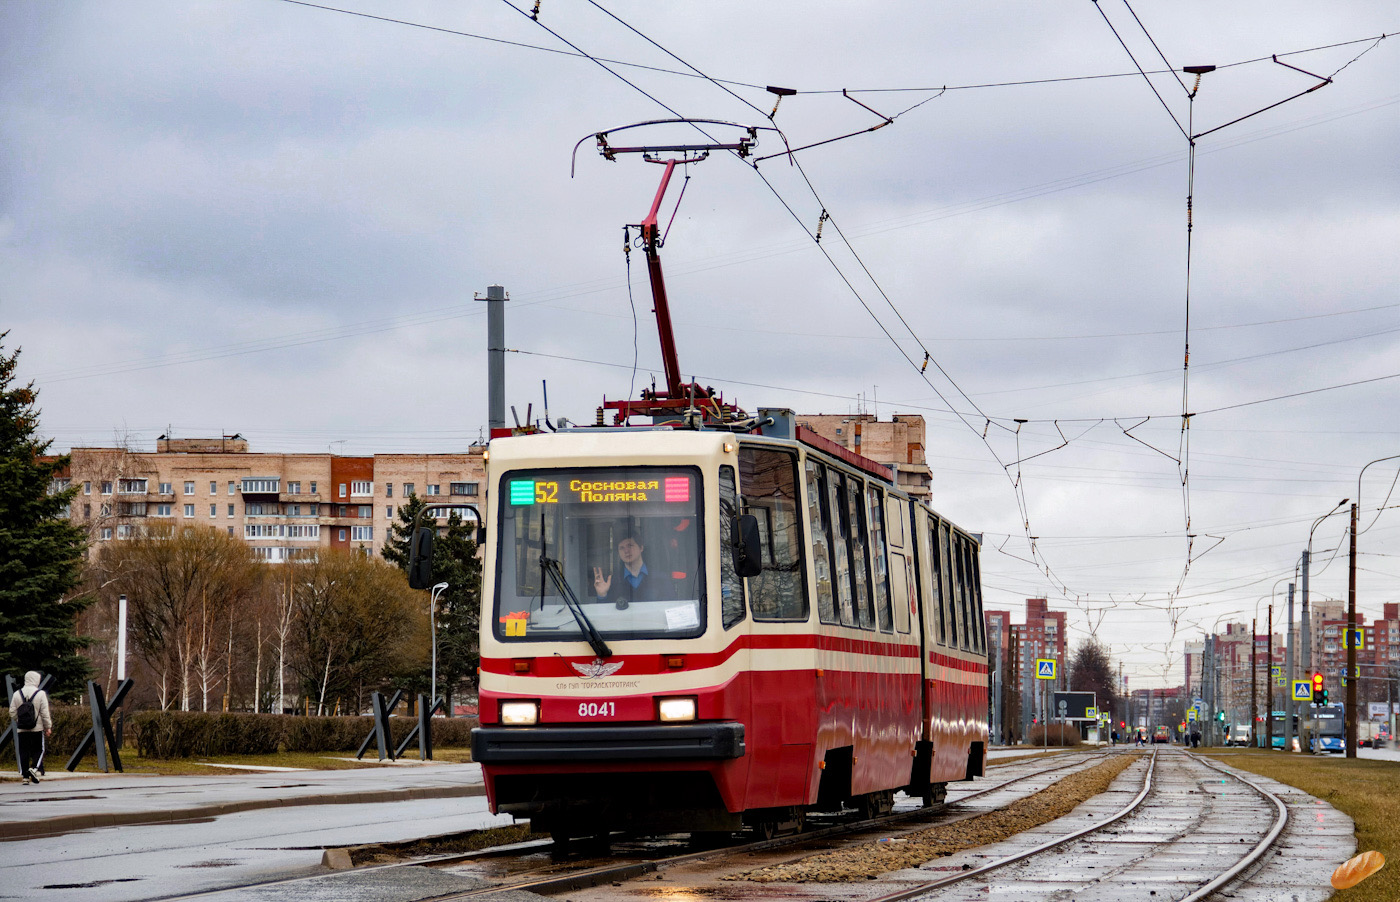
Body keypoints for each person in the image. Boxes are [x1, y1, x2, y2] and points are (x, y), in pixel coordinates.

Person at [593, 533, 669, 606]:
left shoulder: (660, 578)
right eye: (621, 548)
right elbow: (604, 615)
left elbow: (671, 608)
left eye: (630, 545)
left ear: (641, 548)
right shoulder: (612, 582)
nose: (626, 551)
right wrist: (602, 596)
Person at [9, 672, 52, 785]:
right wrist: (48, 727)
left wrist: (19, 721)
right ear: (36, 680)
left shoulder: (17, 694)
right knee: (39, 749)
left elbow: (12, 711)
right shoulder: (40, 694)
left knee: (23, 751)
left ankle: (25, 777)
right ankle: (33, 768)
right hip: (36, 728)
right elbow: (44, 713)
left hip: (22, 729)